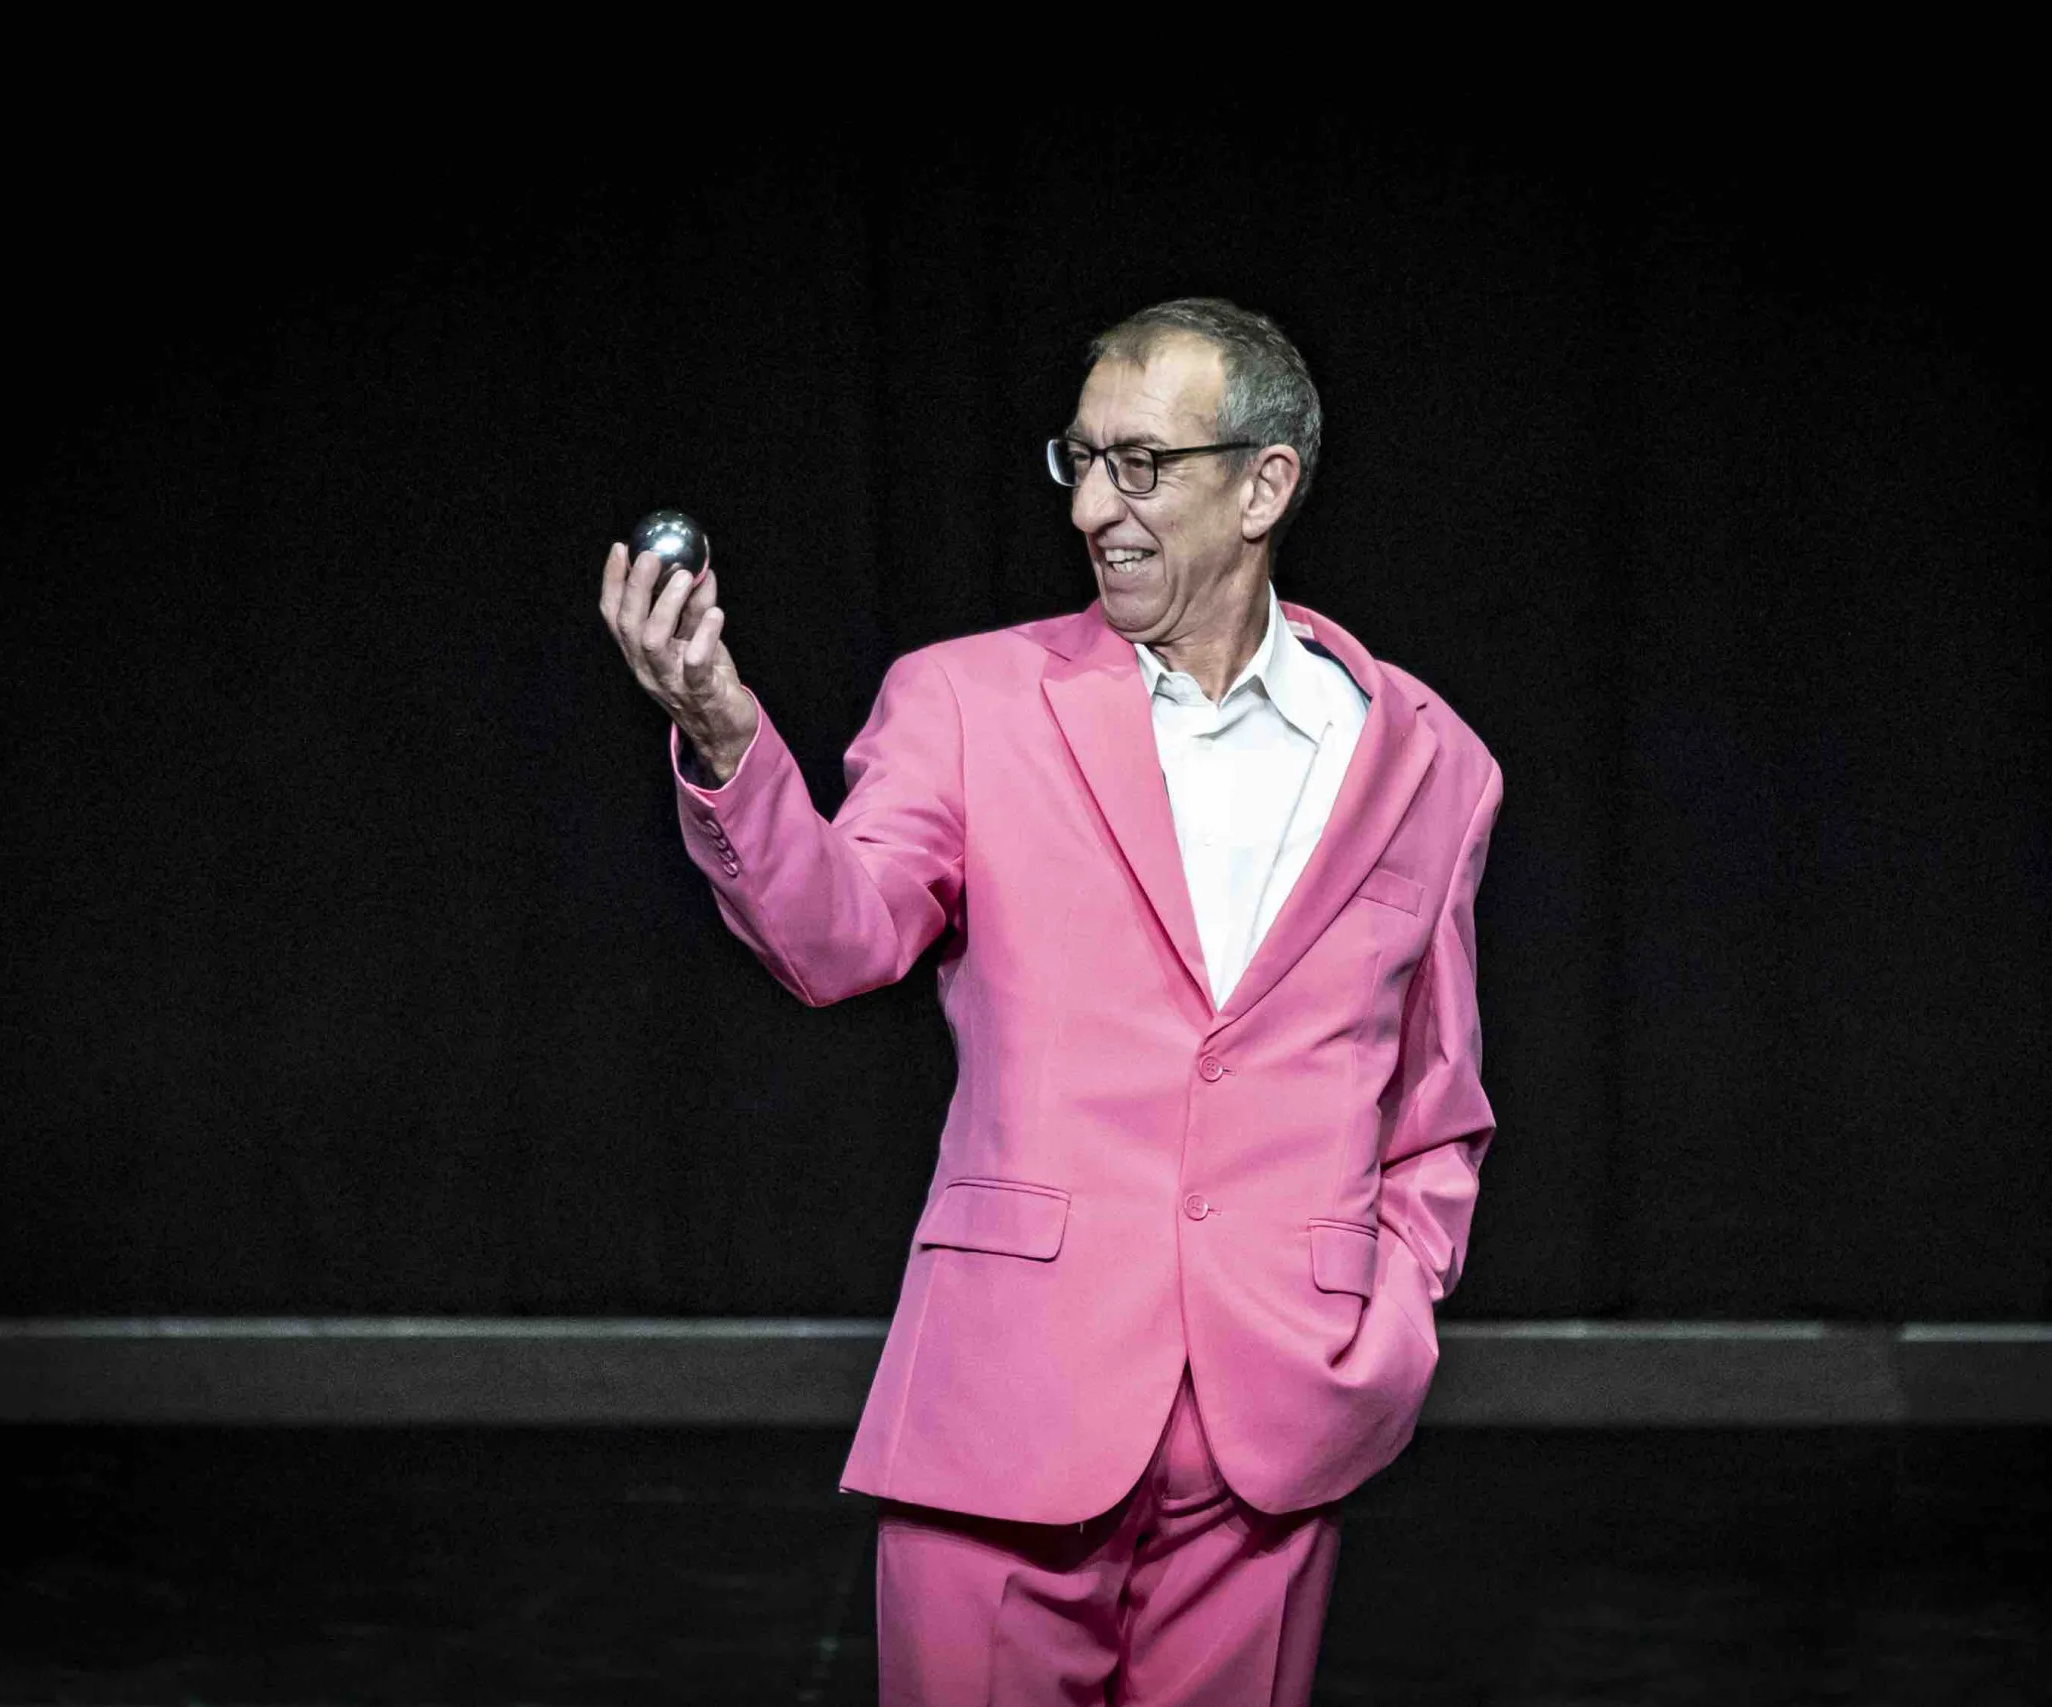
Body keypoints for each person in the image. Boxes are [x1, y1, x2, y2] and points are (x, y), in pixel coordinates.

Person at [598, 298, 1501, 1705]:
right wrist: (724, 733)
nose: (1091, 507)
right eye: (1079, 460)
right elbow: (837, 936)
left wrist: (1385, 1319)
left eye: (1140, 464)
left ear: (1264, 484)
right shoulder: (970, 701)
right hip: (1010, 1406)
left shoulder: (1426, 759)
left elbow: (1436, 1102)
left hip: (1273, 1437)